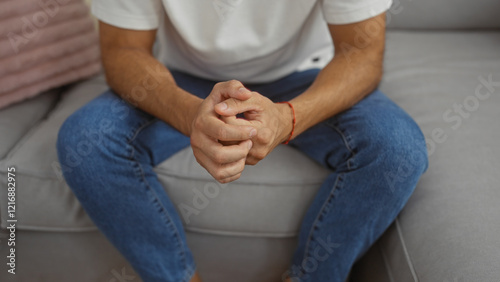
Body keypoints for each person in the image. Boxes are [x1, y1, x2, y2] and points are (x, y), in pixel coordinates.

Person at [56, 0, 428, 281]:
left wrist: (289, 117)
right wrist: (190, 115)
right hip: (181, 80)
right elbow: (124, 49)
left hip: (304, 78)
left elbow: (360, 51)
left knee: (397, 149)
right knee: (85, 143)